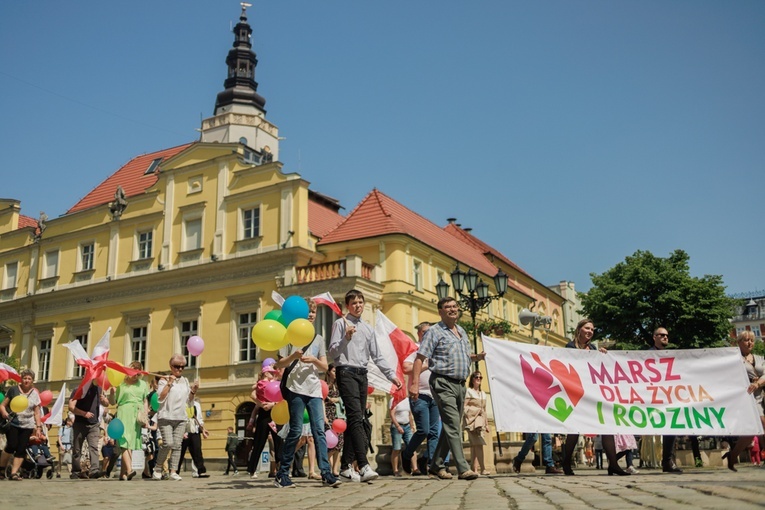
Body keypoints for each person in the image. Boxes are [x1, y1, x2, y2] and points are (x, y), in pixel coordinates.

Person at [328, 289, 402, 483]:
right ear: (347, 306)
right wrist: (346, 338)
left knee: (358, 419)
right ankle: (363, 465)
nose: (358, 306)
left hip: (362, 374)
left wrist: (391, 376)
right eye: (354, 303)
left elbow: (377, 356)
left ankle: (345, 466)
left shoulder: (368, 329)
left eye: (360, 302)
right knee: (356, 418)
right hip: (345, 372)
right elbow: (333, 353)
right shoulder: (340, 324)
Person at [409, 296, 483, 481]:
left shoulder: (462, 331)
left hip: (460, 385)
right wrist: (415, 383)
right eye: (447, 307)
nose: (452, 309)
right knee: (452, 424)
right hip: (442, 383)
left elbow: (464, 356)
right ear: (440, 312)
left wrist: (477, 357)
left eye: (454, 306)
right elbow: (420, 358)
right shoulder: (433, 332)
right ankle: (462, 468)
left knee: (451, 426)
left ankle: (435, 465)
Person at [274, 297, 340, 488]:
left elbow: (324, 366)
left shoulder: (318, 338)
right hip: (295, 388)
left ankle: (326, 473)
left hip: (314, 389)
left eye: (313, 312)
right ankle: (282, 473)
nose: (311, 315)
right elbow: (279, 364)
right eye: (308, 312)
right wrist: (293, 356)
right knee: (295, 431)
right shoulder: (288, 335)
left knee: (319, 431)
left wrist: (315, 362)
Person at [562, 319, 629, 476]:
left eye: (592, 329)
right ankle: (566, 463)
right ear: (579, 329)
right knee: (574, 430)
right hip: (577, 394)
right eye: (587, 328)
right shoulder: (569, 347)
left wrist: (602, 356)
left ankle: (613, 464)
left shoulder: (593, 348)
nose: (590, 331)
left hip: (593, 394)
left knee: (606, 426)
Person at [401, 322, 441, 476]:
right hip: (419, 394)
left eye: (430, 332)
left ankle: (432, 464)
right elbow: (406, 368)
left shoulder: (435, 350)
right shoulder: (415, 350)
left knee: (434, 432)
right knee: (423, 430)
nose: (427, 335)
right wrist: (425, 365)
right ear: (419, 334)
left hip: (434, 394)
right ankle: (407, 454)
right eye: (425, 332)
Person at [722, 330, 765, 471]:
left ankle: (732, 456)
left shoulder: (759, 358)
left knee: (750, 433)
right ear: (739, 342)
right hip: (747, 399)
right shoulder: (734, 360)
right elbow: (730, 377)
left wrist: (758, 383)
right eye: (746, 340)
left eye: (752, 340)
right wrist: (748, 381)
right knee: (762, 425)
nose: (750, 342)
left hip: (761, 396)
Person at [153, 354, 199, 481]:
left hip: (181, 417)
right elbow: (161, 397)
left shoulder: (184, 380)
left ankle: (173, 471)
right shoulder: (163, 380)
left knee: (177, 445)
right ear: (171, 366)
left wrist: (193, 391)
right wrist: (169, 383)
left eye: (182, 367)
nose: (179, 369)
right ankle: (157, 467)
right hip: (166, 416)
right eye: (176, 366)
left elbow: (188, 401)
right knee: (167, 443)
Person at [648, 326, 682, 473]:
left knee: (671, 427)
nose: (665, 337)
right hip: (649, 398)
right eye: (661, 335)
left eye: (666, 335)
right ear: (654, 337)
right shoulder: (644, 355)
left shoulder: (673, 355)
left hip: (668, 397)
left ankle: (668, 461)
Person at [0, 369, 43, 481]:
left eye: (29, 379)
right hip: (13, 422)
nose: (26, 381)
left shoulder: (35, 394)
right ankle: (1, 468)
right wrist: (4, 413)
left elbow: (37, 412)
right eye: (24, 378)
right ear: (21, 379)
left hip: (28, 425)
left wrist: (38, 427)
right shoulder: (13, 390)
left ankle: (14, 473)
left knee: (21, 449)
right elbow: (3, 405)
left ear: (32, 381)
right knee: (11, 445)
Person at [110, 360, 149, 481]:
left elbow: (145, 400)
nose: (135, 376)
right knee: (124, 440)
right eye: (133, 371)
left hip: (136, 415)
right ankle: (130, 469)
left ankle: (123, 474)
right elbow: (112, 402)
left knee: (131, 443)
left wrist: (145, 416)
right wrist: (112, 393)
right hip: (123, 412)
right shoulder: (121, 384)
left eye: (137, 373)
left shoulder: (143, 384)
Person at [69, 378, 110, 479]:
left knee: (94, 448)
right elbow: (71, 406)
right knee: (77, 449)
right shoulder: (77, 390)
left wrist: (104, 400)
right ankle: (76, 471)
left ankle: (94, 470)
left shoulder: (98, 389)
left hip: (94, 424)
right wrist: (83, 413)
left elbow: (107, 404)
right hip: (79, 424)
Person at [247, 365, 283, 479]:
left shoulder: (275, 383)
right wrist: (261, 403)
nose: (273, 374)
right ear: (266, 374)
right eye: (271, 373)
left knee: (278, 441)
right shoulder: (263, 383)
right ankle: (252, 469)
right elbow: (253, 392)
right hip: (264, 414)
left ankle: (281, 468)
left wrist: (272, 404)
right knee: (259, 442)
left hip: (275, 413)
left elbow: (281, 397)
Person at [463, 371, 490, 475]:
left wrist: (486, 424)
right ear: (472, 379)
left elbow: (484, 410)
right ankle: (483, 468)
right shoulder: (469, 391)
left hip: (480, 422)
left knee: (475, 445)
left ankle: (474, 470)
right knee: (479, 444)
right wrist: (473, 412)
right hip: (471, 421)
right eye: (476, 377)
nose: (479, 378)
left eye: (480, 377)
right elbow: (464, 407)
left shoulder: (483, 394)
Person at [177, 398, 209, 478]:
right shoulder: (181, 403)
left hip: (195, 429)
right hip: (183, 429)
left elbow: (199, 418)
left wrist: (203, 430)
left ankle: (201, 471)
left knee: (197, 450)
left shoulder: (196, 404)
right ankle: (175, 471)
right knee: (180, 452)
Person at [323, 364, 344, 476]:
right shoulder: (325, 385)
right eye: (334, 371)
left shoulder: (340, 385)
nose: (336, 373)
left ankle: (335, 469)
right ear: (329, 372)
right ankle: (326, 462)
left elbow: (344, 398)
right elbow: (321, 400)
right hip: (328, 413)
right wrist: (324, 416)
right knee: (331, 442)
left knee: (339, 443)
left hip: (339, 415)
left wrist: (337, 399)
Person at [389, 397, 413, 476]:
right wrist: (397, 426)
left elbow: (409, 414)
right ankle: (395, 470)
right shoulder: (393, 400)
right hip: (397, 426)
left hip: (407, 425)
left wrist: (412, 426)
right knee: (397, 448)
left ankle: (415, 468)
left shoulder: (407, 400)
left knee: (412, 446)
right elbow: (392, 414)